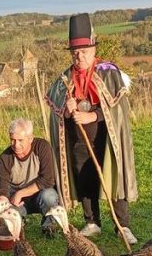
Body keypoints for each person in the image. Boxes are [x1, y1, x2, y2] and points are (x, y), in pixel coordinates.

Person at [45, 13, 138, 243]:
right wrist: (67, 110)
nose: (79, 57)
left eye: (84, 52)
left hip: (105, 139)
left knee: (113, 178)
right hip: (78, 140)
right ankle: (92, 222)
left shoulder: (108, 72)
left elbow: (115, 109)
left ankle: (122, 225)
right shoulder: (65, 78)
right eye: (75, 53)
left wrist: (91, 115)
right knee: (84, 177)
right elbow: (56, 108)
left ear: (94, 50)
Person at [0, 117, 60, 235]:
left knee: (49, 196)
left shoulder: (42, 147)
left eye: (20, 140)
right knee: (5, 221)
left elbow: (48, 180)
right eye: (13, 140)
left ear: (30, 138)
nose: (16, 145)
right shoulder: (4, 158)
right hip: (18, 202)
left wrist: (20, 193)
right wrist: (1, 206)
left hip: (39, 195)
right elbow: (2, 190)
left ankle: (49, 226)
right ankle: (19, 222)